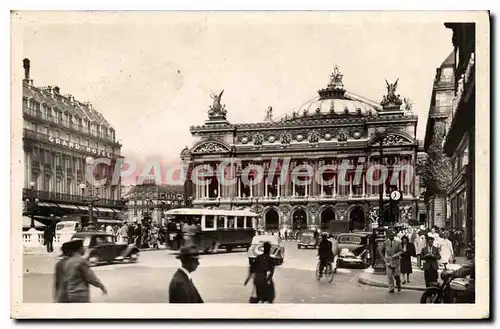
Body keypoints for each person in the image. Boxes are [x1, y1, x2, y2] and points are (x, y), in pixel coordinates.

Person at [380, 229, 403, 293]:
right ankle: (391, 288)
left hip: (396, 261)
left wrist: (397, 254)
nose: (391, 237)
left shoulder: (398, 242)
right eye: (390, 235)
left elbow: (401, 251)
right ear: (388, 236)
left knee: (396, 275)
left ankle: (398, 285)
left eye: (392, 235)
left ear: (394, 236)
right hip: (388, 261)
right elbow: (381, 251)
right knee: (389, 275)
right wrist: (384, 258)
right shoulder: (385, 243)